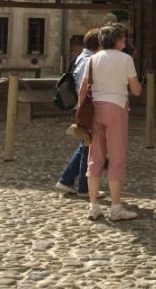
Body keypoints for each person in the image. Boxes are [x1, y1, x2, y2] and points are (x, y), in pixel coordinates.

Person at [77, 24, 142, 221]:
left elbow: (82, 88)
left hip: (96, 109)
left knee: (94, 157)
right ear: (118, 40)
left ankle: (94, 205)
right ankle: (115, 207)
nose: (125, 41)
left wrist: (80, 112)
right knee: (117, 157)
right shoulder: (126, 59)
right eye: (123, 38)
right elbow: (136, 90)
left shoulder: (93, 59)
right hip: (117, 107)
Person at [55, 28, 100, 197]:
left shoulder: (80, 57)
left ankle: (66, 181)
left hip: (78, 107)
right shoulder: (89, 60)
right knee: (88, 145)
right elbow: (84, 86)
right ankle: (83, 187)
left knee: (84, 145)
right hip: (83, 107)